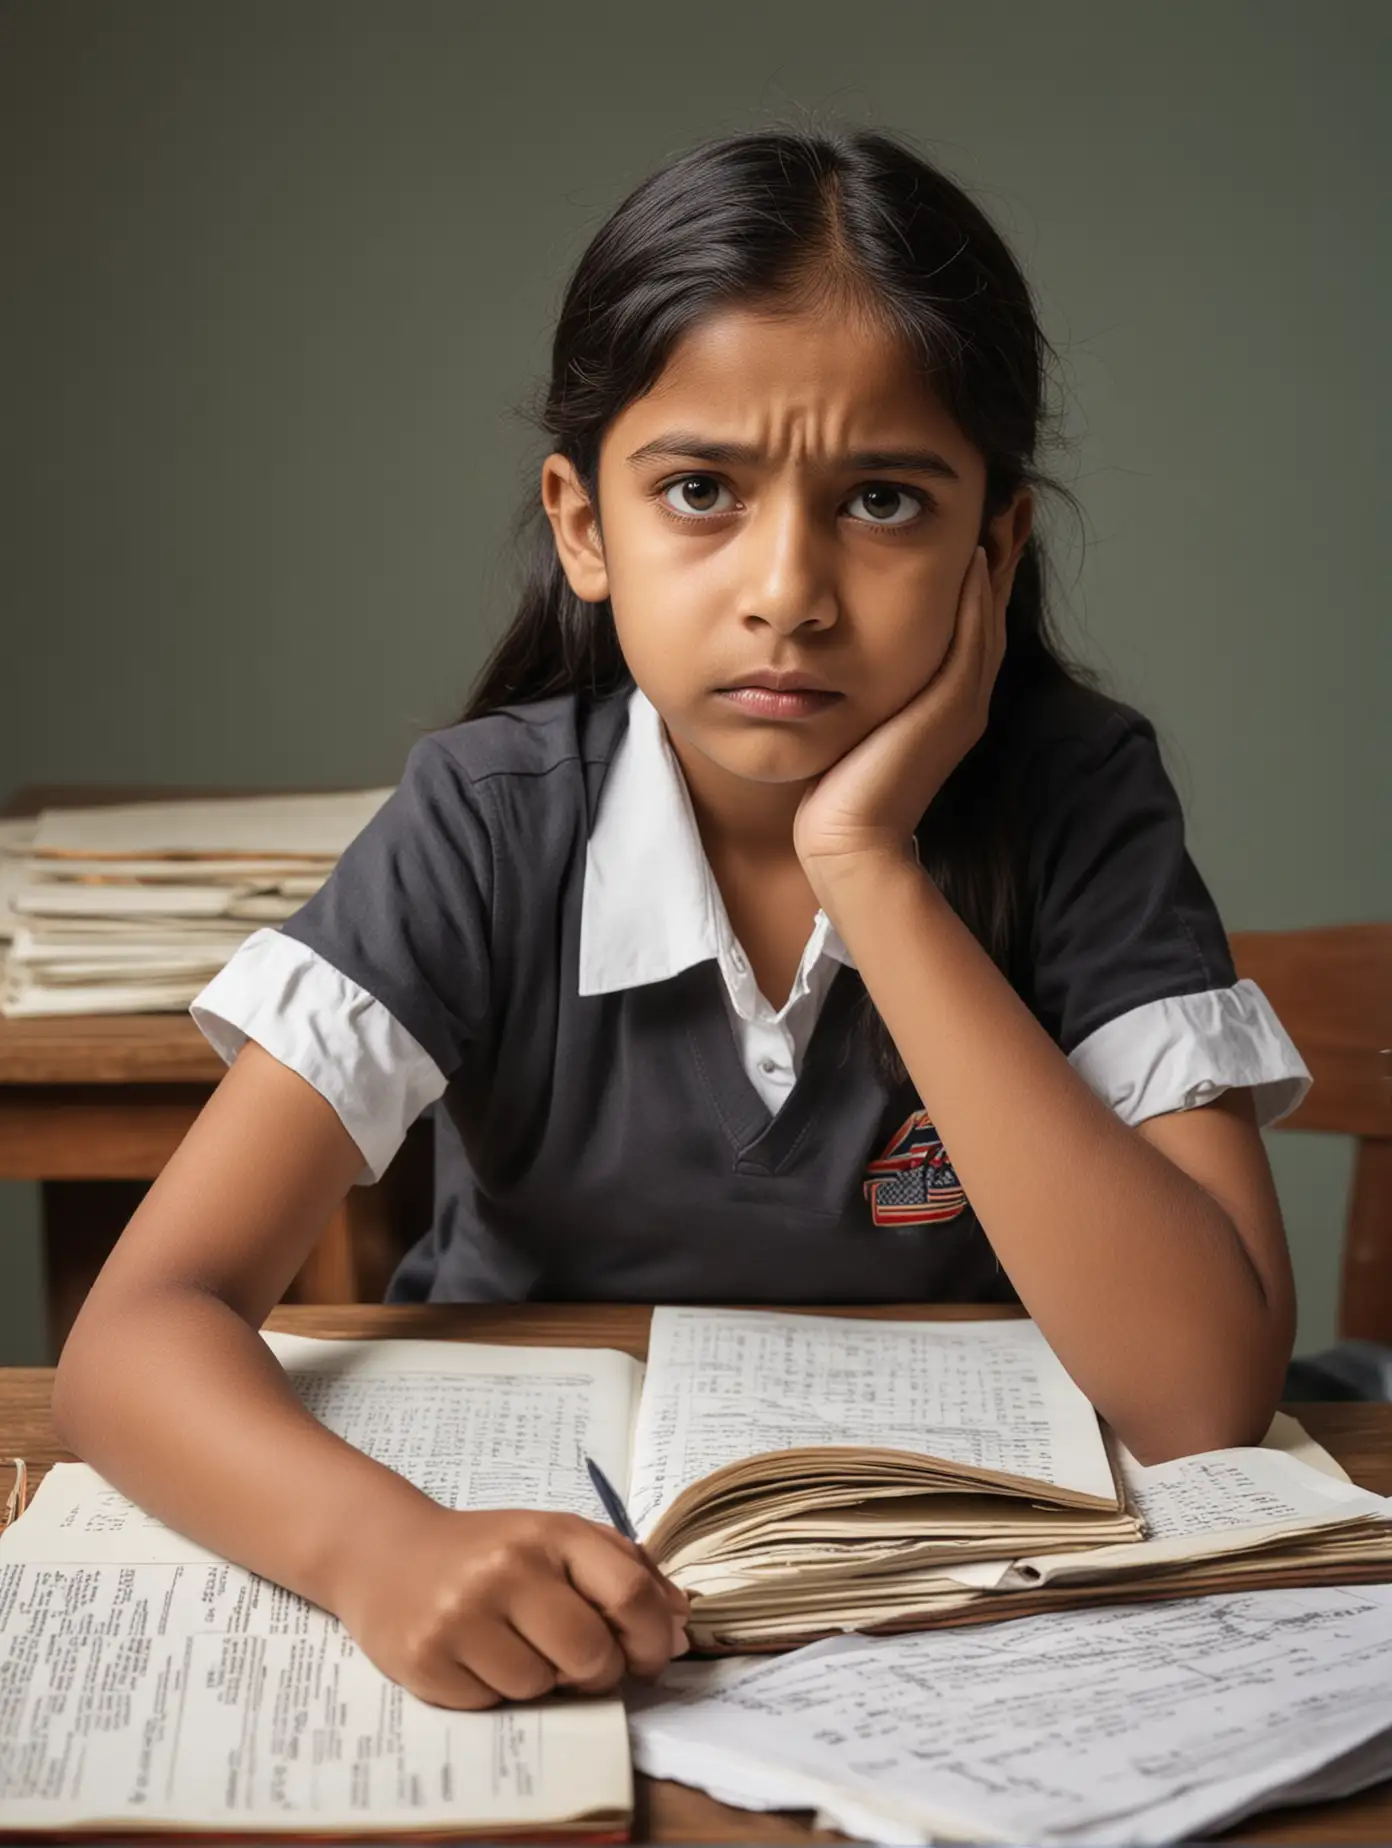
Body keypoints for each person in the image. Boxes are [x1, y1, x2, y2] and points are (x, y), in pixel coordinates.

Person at [52, 121, 1311, 1713]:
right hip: (530, 1583)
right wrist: (377, 1551)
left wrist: (870, 861)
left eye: (887, 504)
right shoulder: (491, 821)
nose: (787, 586)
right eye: (702, 491)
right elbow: (132, 1335)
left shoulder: (1075, 802)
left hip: (952, 1613)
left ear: (997, 543)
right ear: (584, 525)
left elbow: (1202, 1393)